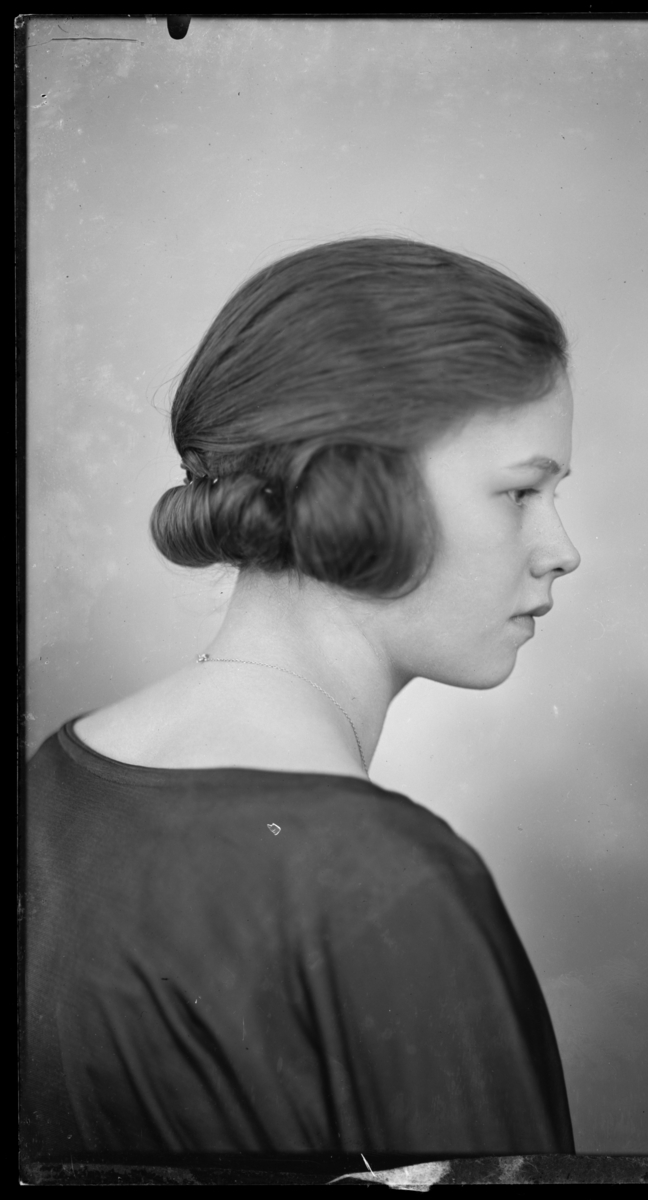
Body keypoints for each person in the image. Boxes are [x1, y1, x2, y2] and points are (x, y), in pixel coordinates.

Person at [23, 237, 581, 1159]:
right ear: (359, 488)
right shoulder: (387, 885)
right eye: (521, 492)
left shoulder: (53, 782)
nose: (562, 550)